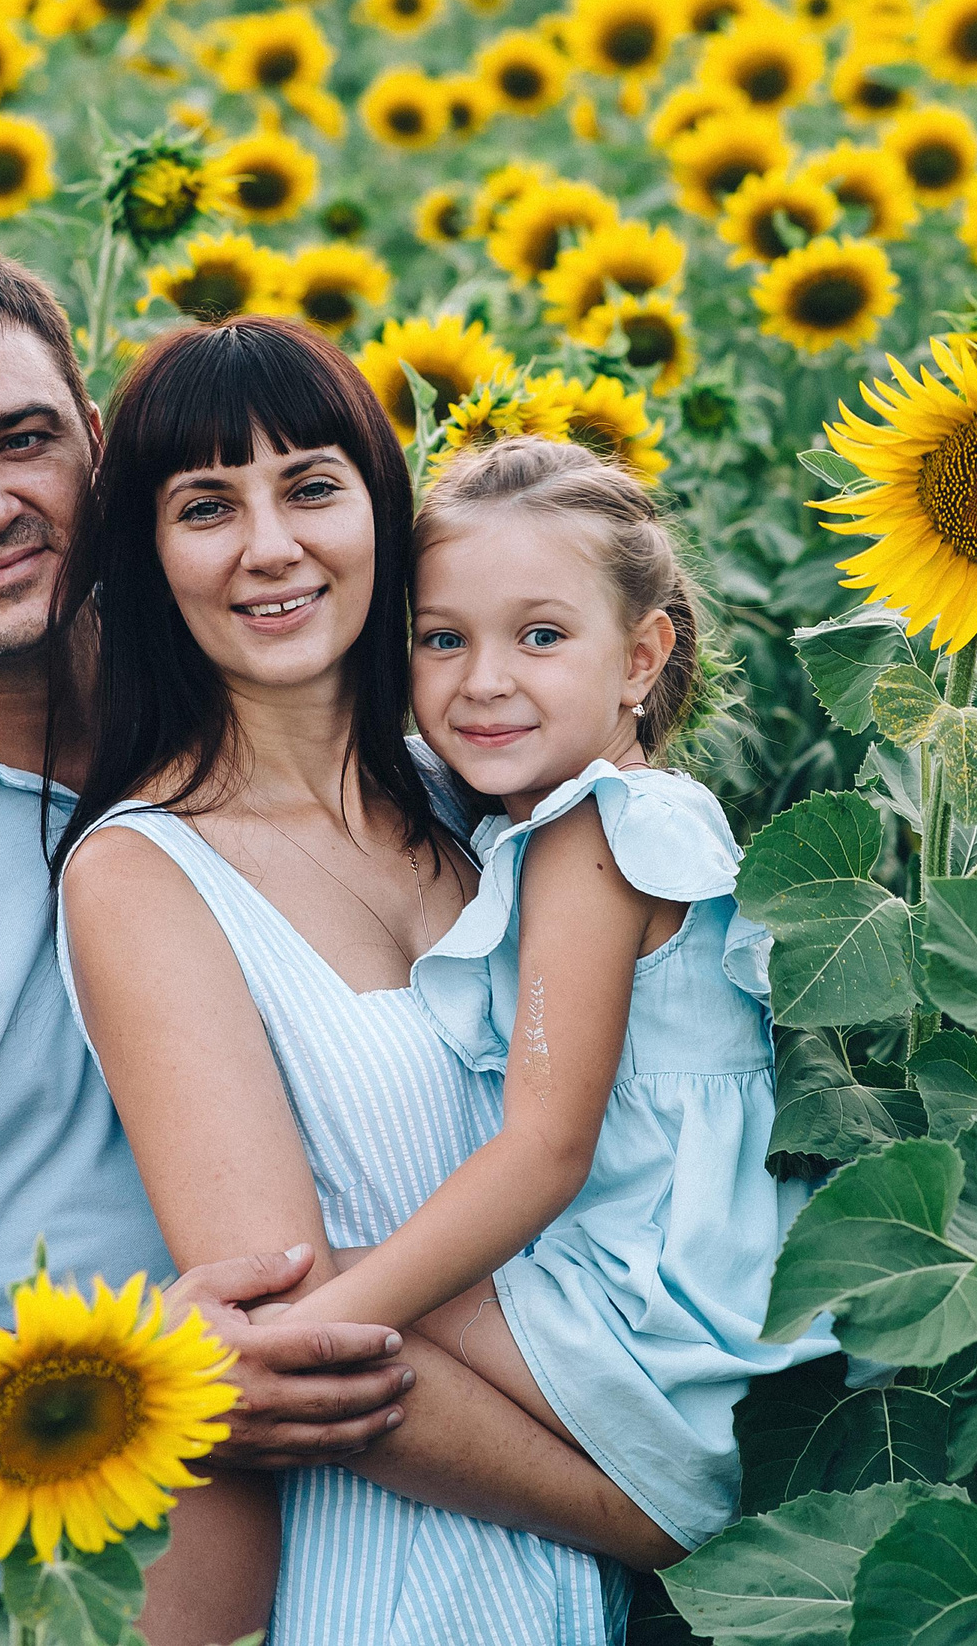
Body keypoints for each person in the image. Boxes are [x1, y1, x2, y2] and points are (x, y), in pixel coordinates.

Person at [0, 247, 646, 1646]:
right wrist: (128, 1378)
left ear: (98, 450)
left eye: (22, 441)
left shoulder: (278, 690)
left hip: (356, 1531)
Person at [55, 320, 685, 1646]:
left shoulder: (501, 795)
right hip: (391, 1581)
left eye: (312, 485)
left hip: (603, 1589)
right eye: (206, 504)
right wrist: (647, 1509)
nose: (269, 544)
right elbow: (289, 1343)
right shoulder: (143, 874)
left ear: (382, 515)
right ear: (150, 557)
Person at [271, 435, 838, 1555]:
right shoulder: (620, 805)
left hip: (659, 1317)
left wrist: (317, 1324)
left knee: (294, 1316)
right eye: (442, 639)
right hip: (713, 1296)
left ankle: (654, 1518)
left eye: (539, 635)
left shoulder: (594, 832)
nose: (482, 679)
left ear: (641, 657)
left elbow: (545, 1150)